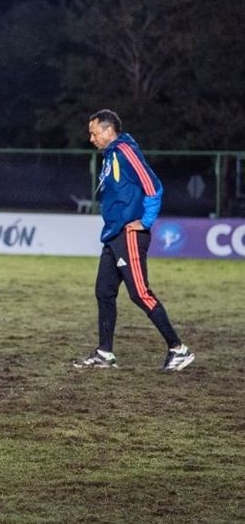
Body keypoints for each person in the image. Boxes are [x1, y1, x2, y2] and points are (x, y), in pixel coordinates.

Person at [74, 110, 194, 371]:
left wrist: (145, 221)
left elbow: (153, 186)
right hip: (113, 235)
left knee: (140, 293)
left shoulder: (125, 150)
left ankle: (178, 349)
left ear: (108, 131)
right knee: (104, 291)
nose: (91, 137)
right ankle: (105, 353)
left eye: (94, 132)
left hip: (129, 234)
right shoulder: (110, 156)